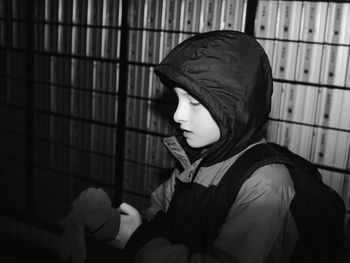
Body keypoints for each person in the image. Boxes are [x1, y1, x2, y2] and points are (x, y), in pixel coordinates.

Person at [111, 30, 298, 263]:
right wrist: (117, 224)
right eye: (177, 99)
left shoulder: (266, 186)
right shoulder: (197, 157)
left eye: (195, 102)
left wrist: (138, 242)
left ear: (233, 109)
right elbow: (159, 217)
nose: (178, 115)